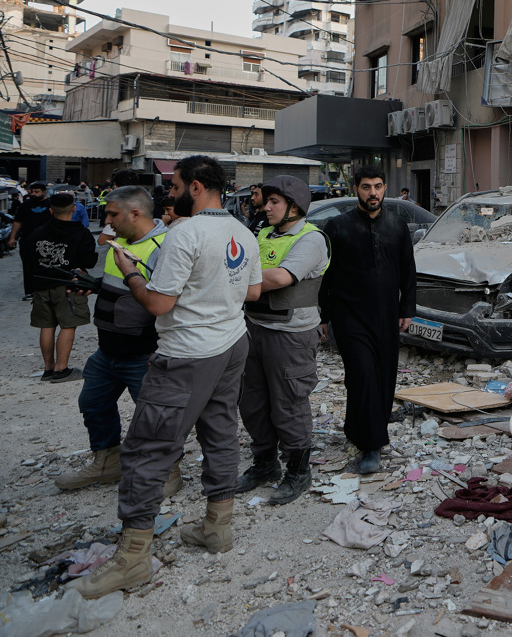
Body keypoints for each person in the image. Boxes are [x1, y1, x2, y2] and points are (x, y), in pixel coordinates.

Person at [73, 156, 261, 600]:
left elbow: (159, 305)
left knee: (146, 447)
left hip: (187, 354)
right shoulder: (243, 231)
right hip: (232, 343)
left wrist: (134, 273)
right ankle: (218, 528)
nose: (168, 194)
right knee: (220, 434)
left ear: (195, 187)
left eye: (174, 186)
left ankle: (133, 558)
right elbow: (251, 291)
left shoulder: (186, 233)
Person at [56, 186, 181, 495]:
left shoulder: (165, 248)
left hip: (144, 353)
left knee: (155, 416)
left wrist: (160, 350)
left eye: (112, 214)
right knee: (93, 404)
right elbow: (126, 286)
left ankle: (168, 471)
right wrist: (95, 285)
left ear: (135, 213)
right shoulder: (119, 244)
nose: (107, 222)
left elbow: (167, 302)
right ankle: (108, 461)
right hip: (108, 350)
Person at [236, 175, 330, 505]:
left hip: (291, 336)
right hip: (253, 328)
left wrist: (233, 276)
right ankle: (264, 465)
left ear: (294, 206)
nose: (267, 207)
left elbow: (280, 277)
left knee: (289, 404)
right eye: (268, 201)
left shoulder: (311, 238)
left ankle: (298, 471)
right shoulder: (262, 234)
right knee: (252, 403)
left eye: (275, 202)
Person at [319, 166, 415, 474]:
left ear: (385, 188)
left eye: (377, 186)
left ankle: (358, 429)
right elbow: (325, 275)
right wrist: (324, 316)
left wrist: (406, 309)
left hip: (386, 315)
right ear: (355, 189)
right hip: (349, 316)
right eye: (365, 187)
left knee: (384, 377)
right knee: (362, 374)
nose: (372, 192)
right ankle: (371, 445)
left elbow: (408, 272)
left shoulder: (397, 226)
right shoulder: (337, 226)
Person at [24, 192, 98, 382]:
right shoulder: (81, 233)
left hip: (41, 284)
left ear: (50, 210)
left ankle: (48, 368)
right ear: (74, 209)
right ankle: (61, 369)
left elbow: (28, 257)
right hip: (68, 285)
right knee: (68, 324)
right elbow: (89, 261)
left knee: (46, 325)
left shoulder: (38, 232)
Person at [9, 181, 51, 299]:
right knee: (28, 266)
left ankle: (45, 290)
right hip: (27, 240)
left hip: (46, 241)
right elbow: (17, 221)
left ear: (44, 192)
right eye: (31, 191)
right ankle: (30, 291)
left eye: (36, 192)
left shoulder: (51, 204)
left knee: (46, 265)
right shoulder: (25, 205)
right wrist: (12, 238)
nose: (33, 194)